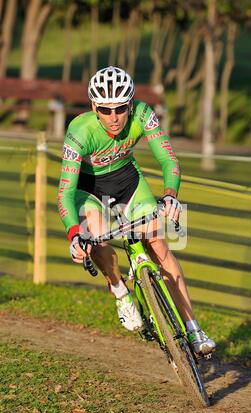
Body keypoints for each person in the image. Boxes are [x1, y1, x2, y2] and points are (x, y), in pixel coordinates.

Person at [57, 66, 215, 356]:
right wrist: (75, 235)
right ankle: (119, 290)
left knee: (157, 242)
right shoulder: (79, 131)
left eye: (120, 108)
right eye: (105, 110)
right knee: (98, 232)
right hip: (88, 189)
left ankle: (193, 329)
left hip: (128, 181)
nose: (113, 118)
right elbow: (65, 193)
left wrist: (169, 196)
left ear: (130, 104)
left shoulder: (143, 114)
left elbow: (169, 160)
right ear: (94, 106)